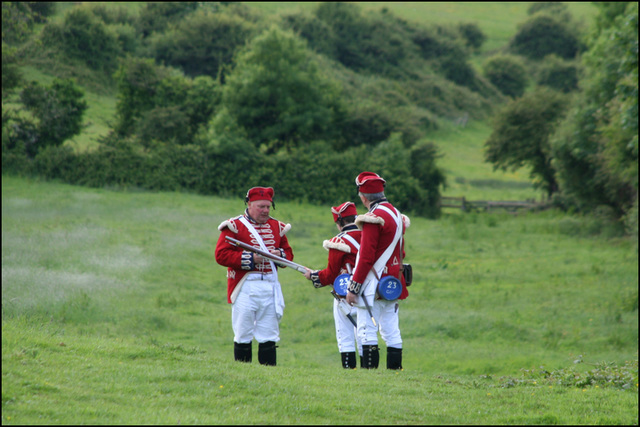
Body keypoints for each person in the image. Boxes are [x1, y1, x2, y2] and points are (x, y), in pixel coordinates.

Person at [215, 187, 294, 366]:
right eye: (261, 207)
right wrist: (250, 258)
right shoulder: (234, 226)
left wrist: (279, 254)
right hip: (245, 285)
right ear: (249, 205)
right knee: (243, 333)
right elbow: (221, 255)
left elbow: (288, 255)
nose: (266, 210)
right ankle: (243, 374)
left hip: (270, 285)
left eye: (268, 206)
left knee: (269, 334)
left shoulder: (277, 227)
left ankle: (269, 375)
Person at [346, 172, 410, 370]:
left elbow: (365, 258)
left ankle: (370, 377)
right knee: (391, 329)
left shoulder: (373, 218)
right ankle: (394, 372)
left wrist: (354, 288)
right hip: (393, 281)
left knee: (366, 329)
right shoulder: (397, 214)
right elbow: (402, 251)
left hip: (374, 283)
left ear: (363, 197)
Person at [303, 201, 363, 369]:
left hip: (345, 294)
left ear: (339, 222)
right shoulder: (368, 236)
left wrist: (313, 275)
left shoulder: (339, 241)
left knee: (345, 336)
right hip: (369, 292)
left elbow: (330, 274)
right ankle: (370, 373)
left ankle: (349, 374)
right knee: (366, 335)